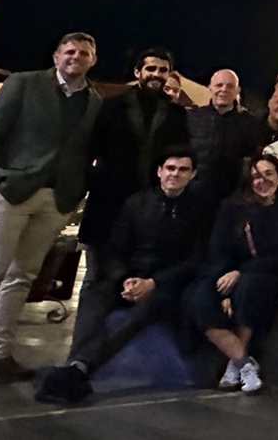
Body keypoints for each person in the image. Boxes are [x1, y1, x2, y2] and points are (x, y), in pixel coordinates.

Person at [0, 32, 103, 391]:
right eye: (69, 51)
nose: (75, 57)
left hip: (55, 200)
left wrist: (75, 193)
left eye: (83, 53)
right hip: (12, 192)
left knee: (22, 277)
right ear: (56, 55)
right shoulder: (24, 84)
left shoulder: (94, 100)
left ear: (92, 60)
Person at [33, 149, 210, 404]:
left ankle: (81, 369)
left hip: (167, 284)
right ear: (160, 171)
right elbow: (114, 250)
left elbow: (196, 260)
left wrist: (153, 283)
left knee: (145, 310)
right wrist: (125, 279)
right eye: (170, 168)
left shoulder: (200, 210)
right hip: (129, 278)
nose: (175, 174)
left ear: (192, 174)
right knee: (95, 297)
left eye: (183, 170)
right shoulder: (136, 203)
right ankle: (77, 365)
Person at [185, 154, 278, 394]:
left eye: (268, 174)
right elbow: (219, 248)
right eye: (256, 177)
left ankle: (234, 364)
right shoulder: (232, 207)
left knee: (250, 288)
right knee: (198, 298)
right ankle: (242, 361)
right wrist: (226, 278)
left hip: (266, 273)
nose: (262, 181)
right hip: (225, 270)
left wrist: (239, 274)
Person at [79, 47, 189, 285]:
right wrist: (94, 183)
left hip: (149, 207)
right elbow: (89, 150)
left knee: (137, 275)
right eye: (151, 68)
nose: (156, 74)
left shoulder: (176, 114)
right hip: (108, 202)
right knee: (96, 278)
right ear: (138, 72)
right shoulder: (111, 106)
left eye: (163, 70)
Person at [185, 69, 268, 205]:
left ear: (238, 90)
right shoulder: (191, 118)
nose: (224, 90)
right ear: (209, 88)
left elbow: (254, 159)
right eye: (219, 85)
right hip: (194, 196)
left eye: (230, 86)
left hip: (233, 199)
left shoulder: (251, 124)